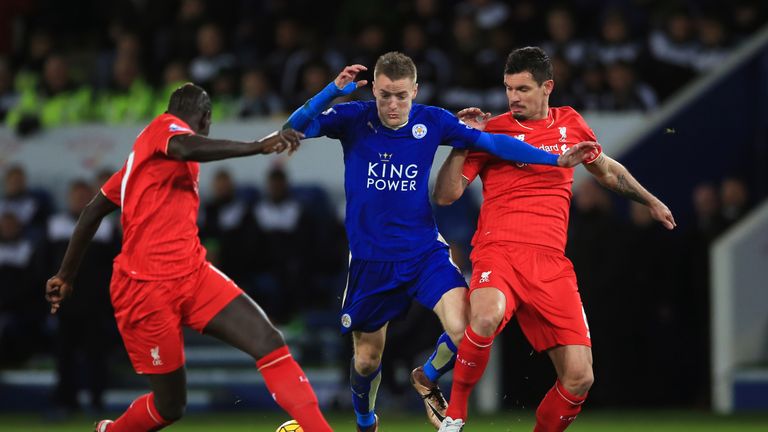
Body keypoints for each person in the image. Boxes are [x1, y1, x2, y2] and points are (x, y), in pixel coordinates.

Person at [284, 52, 599, 431]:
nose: (393, 104)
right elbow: (294, 127)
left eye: (401, 95)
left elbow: (495, 145)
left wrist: (554, 161)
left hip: (423, 253)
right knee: (367, 360)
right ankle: (366, 421)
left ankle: (427, 377)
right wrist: (331, 92)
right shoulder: (353, 118)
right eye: (384, 95)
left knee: (464, 325)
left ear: (415, 91)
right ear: (375, 93)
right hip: (372, 259)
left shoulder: (431, 121)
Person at [44, 83, 333, 432]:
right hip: (144, 288)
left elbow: (93, 210)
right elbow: (183, 146)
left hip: (193, 274)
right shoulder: (165, 129)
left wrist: (65, 274)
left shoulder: (142, 164)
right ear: (206, 118)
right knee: (170, 406)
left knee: (269, 341)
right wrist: (257, 146)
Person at [432, 47, 676, 432]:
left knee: (580, 378)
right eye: (509, 88)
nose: (513, 97)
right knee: (485, 315)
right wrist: (462, 144)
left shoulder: (572, 124)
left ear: (548, 87)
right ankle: (456, 415)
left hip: (550, 263)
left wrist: (650, 200)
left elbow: (607, 170)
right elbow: (444, 195)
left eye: (523, 89)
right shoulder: (492, 131)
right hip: (500, 250)